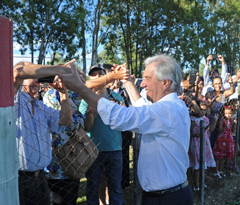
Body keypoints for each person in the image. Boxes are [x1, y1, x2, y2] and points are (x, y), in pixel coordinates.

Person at [59, 54, 194, 205]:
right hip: (168, 196)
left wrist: (78, 86)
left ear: (166, 83)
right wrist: (128, 82)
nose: (143, 84)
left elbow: (120, 116)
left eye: (148, 79)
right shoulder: (170, 107)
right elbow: (143, 110)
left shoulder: (167, 110)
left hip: (167, 200)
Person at [13, 60, 84, 204]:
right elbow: (17, 71)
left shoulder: (40, 106)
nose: (38, 82)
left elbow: (65, 120)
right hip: (19, 179)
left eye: (39, 80)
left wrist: (63, 93)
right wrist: (59, 70)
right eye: (35, 77)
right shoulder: (14, 101)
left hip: (40, 177)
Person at [43, 76, 94, 205]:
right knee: (59, 200)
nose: (81, 82)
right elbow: (66, 121)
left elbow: (85, 126)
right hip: (58, 162)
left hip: (74, 160)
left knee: (71, 199)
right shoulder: (52, 95)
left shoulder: (75, 96)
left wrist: (89, 115)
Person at [79, 64, 125, 205]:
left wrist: (119, 112)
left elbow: (123, 125)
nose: (98, 77)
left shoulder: (117, 97)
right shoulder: (84, 99)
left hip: (115, 149)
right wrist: (99, 107)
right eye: (94, 74)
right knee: (93, 188)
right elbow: (87, 127)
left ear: (107, 78)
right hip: (93, 150)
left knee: (115, 188)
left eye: (101, 74)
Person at [189, 101, 217, 191]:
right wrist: (194, 135)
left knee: (204, 164)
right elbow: (189, 133)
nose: (202, 112)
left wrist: (215, 120)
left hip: (205, 143)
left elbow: (210, 130)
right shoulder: (193, 120)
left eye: (204, 110)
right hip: (196, 143)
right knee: (197, 166)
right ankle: (196, 185)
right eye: (200, 110)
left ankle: (202, 182)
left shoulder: (205, 119)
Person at [213, 106, 240, 178]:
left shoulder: (230, 120)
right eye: (226, 113)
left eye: (229, 114)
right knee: (218, 157)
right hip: (221, 140)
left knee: (224, 157)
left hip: (228, 140)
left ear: (232, 114)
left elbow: (232, 130)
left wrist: (235, 123)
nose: (227, 115)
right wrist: (225, 126)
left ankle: (220, 170)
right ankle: (216, 171)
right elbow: (220, 130)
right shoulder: (222, 120)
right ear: (223, 113)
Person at [205, 76, 235, 148]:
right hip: (211, 121)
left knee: (220, 142)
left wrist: (231, 83)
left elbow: (232, 91)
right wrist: (214, 101)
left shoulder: (223, 93)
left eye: (219, 83)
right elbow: (209, 107)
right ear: (212, 85)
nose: (218, 85)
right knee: (210, 141)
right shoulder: (209, 94)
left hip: (221, 121)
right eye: (216, 84)